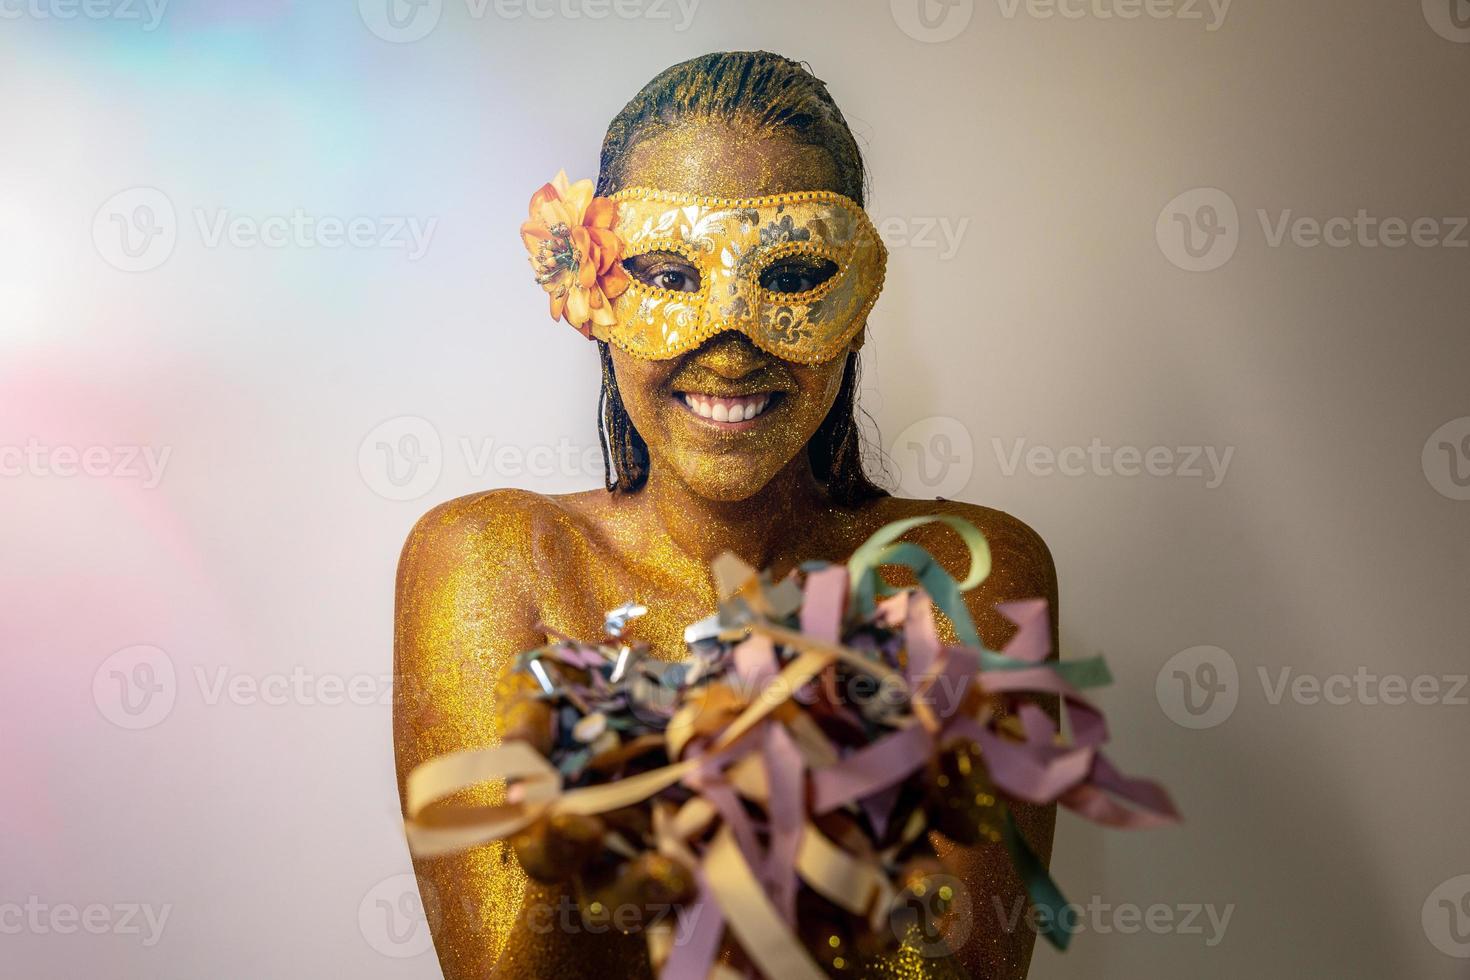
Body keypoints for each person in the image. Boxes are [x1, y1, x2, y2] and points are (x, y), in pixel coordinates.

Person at [394, 50, 1058, 979]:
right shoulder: (489, 561)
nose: (730, 342)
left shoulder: (963, 578)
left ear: (859, 301)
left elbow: (973, 969)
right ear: (593, 294)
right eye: (669, 274)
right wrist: (605, 849)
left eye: (789, 275)